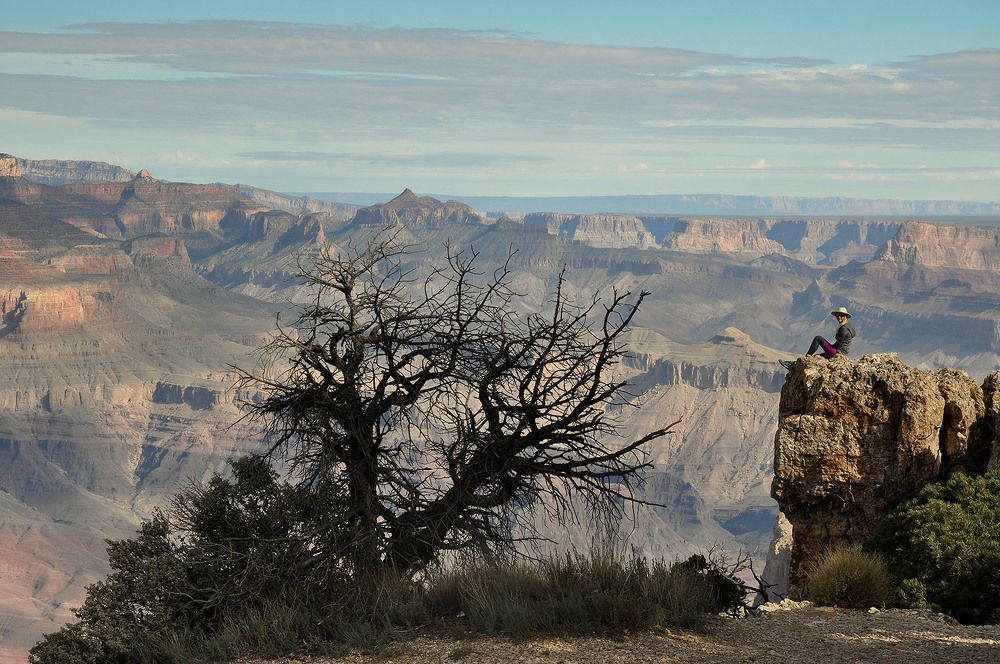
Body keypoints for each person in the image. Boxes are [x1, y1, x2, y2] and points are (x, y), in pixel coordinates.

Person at [779, 307, 856, 369]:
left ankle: (806, 357)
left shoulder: (843, 329)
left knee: (818, 338)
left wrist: (829, 350)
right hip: (840, 352)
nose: (838, 317)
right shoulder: (848, 327)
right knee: (816, 358)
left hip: (838, 353)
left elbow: (839, 343)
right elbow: (840, 343)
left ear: (845, 316)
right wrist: (828, 350)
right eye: (837, 315)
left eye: (841, 315)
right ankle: (794, 365)